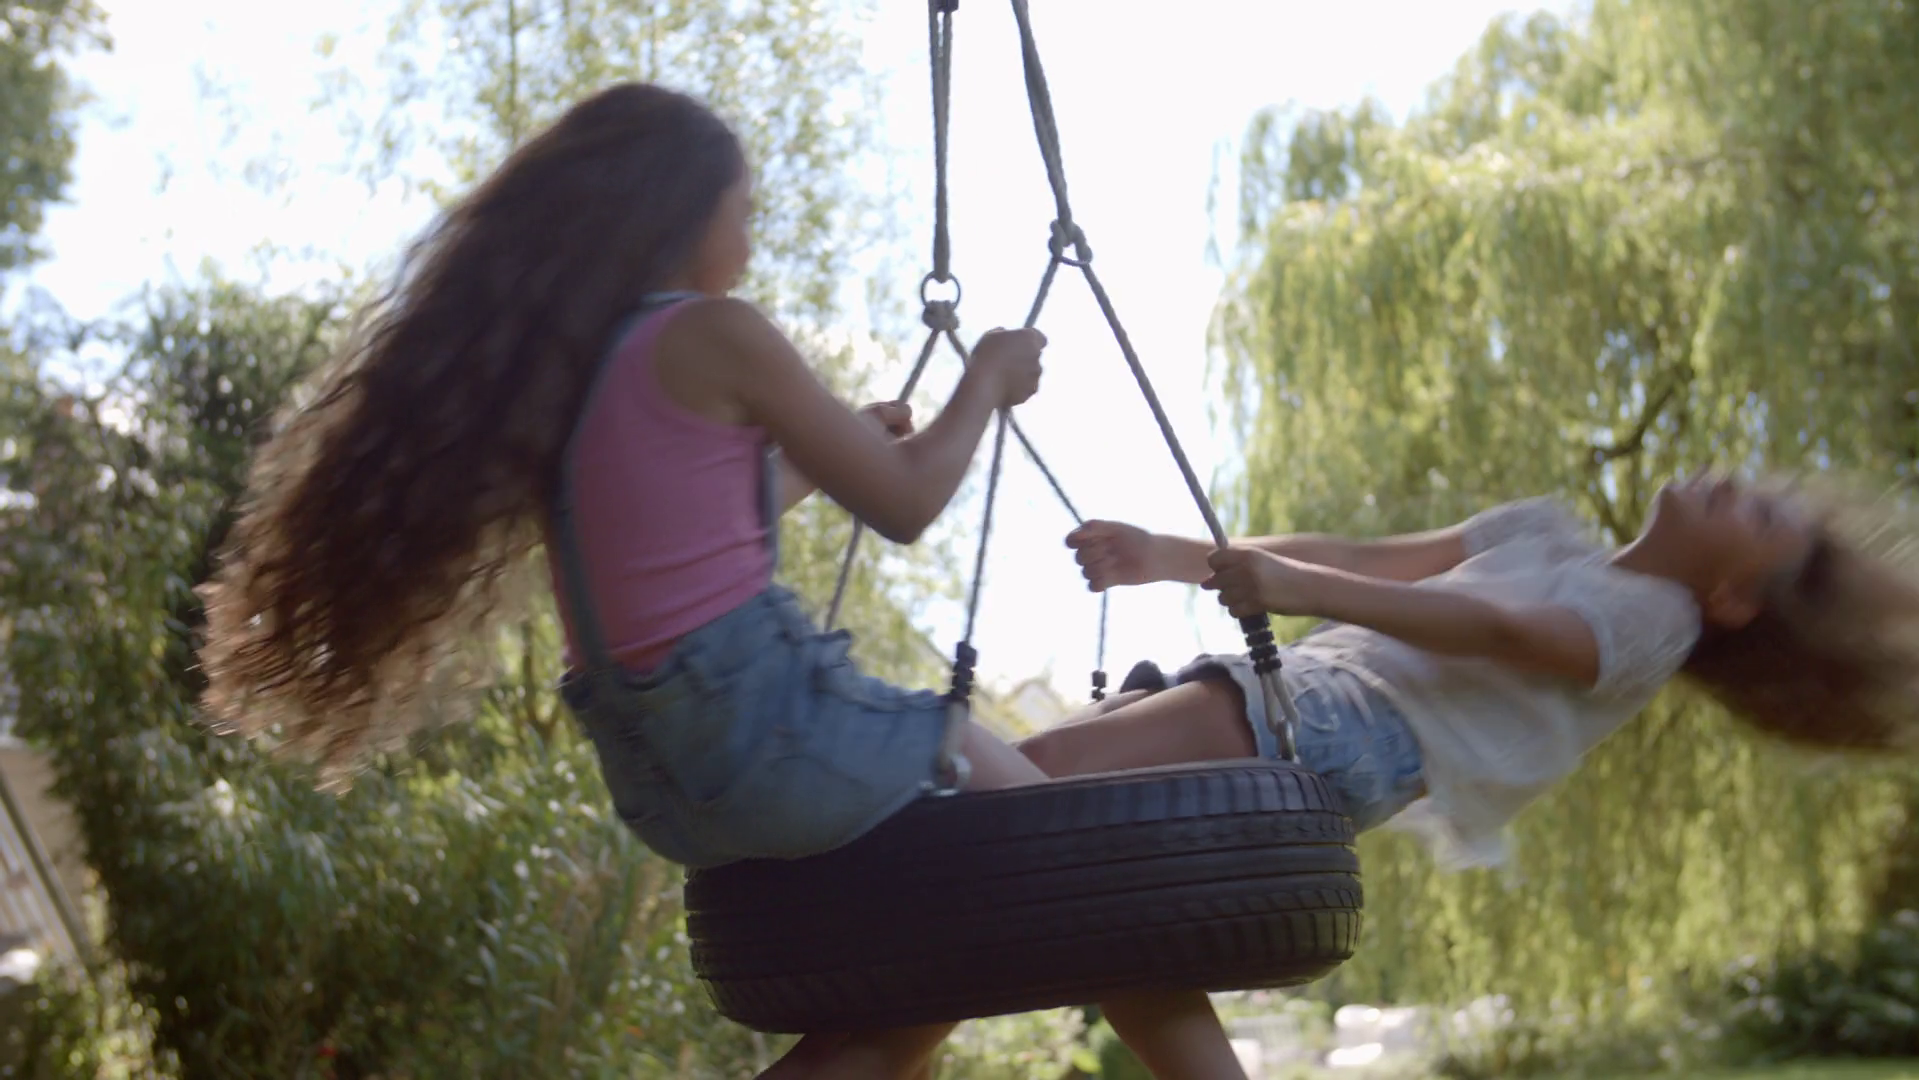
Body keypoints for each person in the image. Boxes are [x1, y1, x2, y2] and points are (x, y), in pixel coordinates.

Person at [193, 82, 1249, 1080]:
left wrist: (817, 458)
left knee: (904, 1012)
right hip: (777, 727)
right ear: (679, 212)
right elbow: (908, 506)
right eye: (742, 207)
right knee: (1104, 884)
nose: (751, 233)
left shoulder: (569, 373)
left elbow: (678, 538)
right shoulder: (715, 332)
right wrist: (985, 380)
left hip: (670, 773)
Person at [1024, 471, 1919, 871]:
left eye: (1760, 513)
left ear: (1729, 599)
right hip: (1305, 685)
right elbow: (1369, 557)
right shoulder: (1543, 531)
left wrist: (1296, 585)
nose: (1740, 478)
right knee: (1032, 806)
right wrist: (1171, 554)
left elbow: (1490, 628)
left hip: (1342, 722)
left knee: (1023, 787)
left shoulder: (1656, 627)